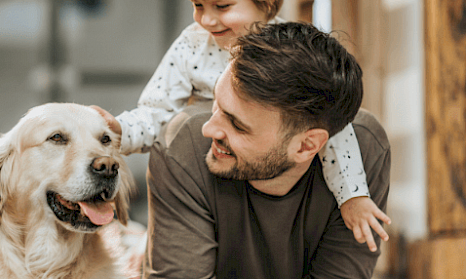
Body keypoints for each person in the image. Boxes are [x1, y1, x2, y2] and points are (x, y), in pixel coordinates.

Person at [143, 22, 390, 279]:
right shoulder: (184, 145)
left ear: (306, 146)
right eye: (217, 106)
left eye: (237, 125)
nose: (209, 129)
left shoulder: (364, 149)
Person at [93, 0, 391, 252]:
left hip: (274, 180)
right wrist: (119, 130)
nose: (206, 19)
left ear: (266, 4)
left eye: (222, 6)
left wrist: (353, 195)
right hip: (216, 175)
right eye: (198, 5)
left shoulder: (290, 52)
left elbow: (333, 127)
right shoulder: (193, 45)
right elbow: (156, 111)